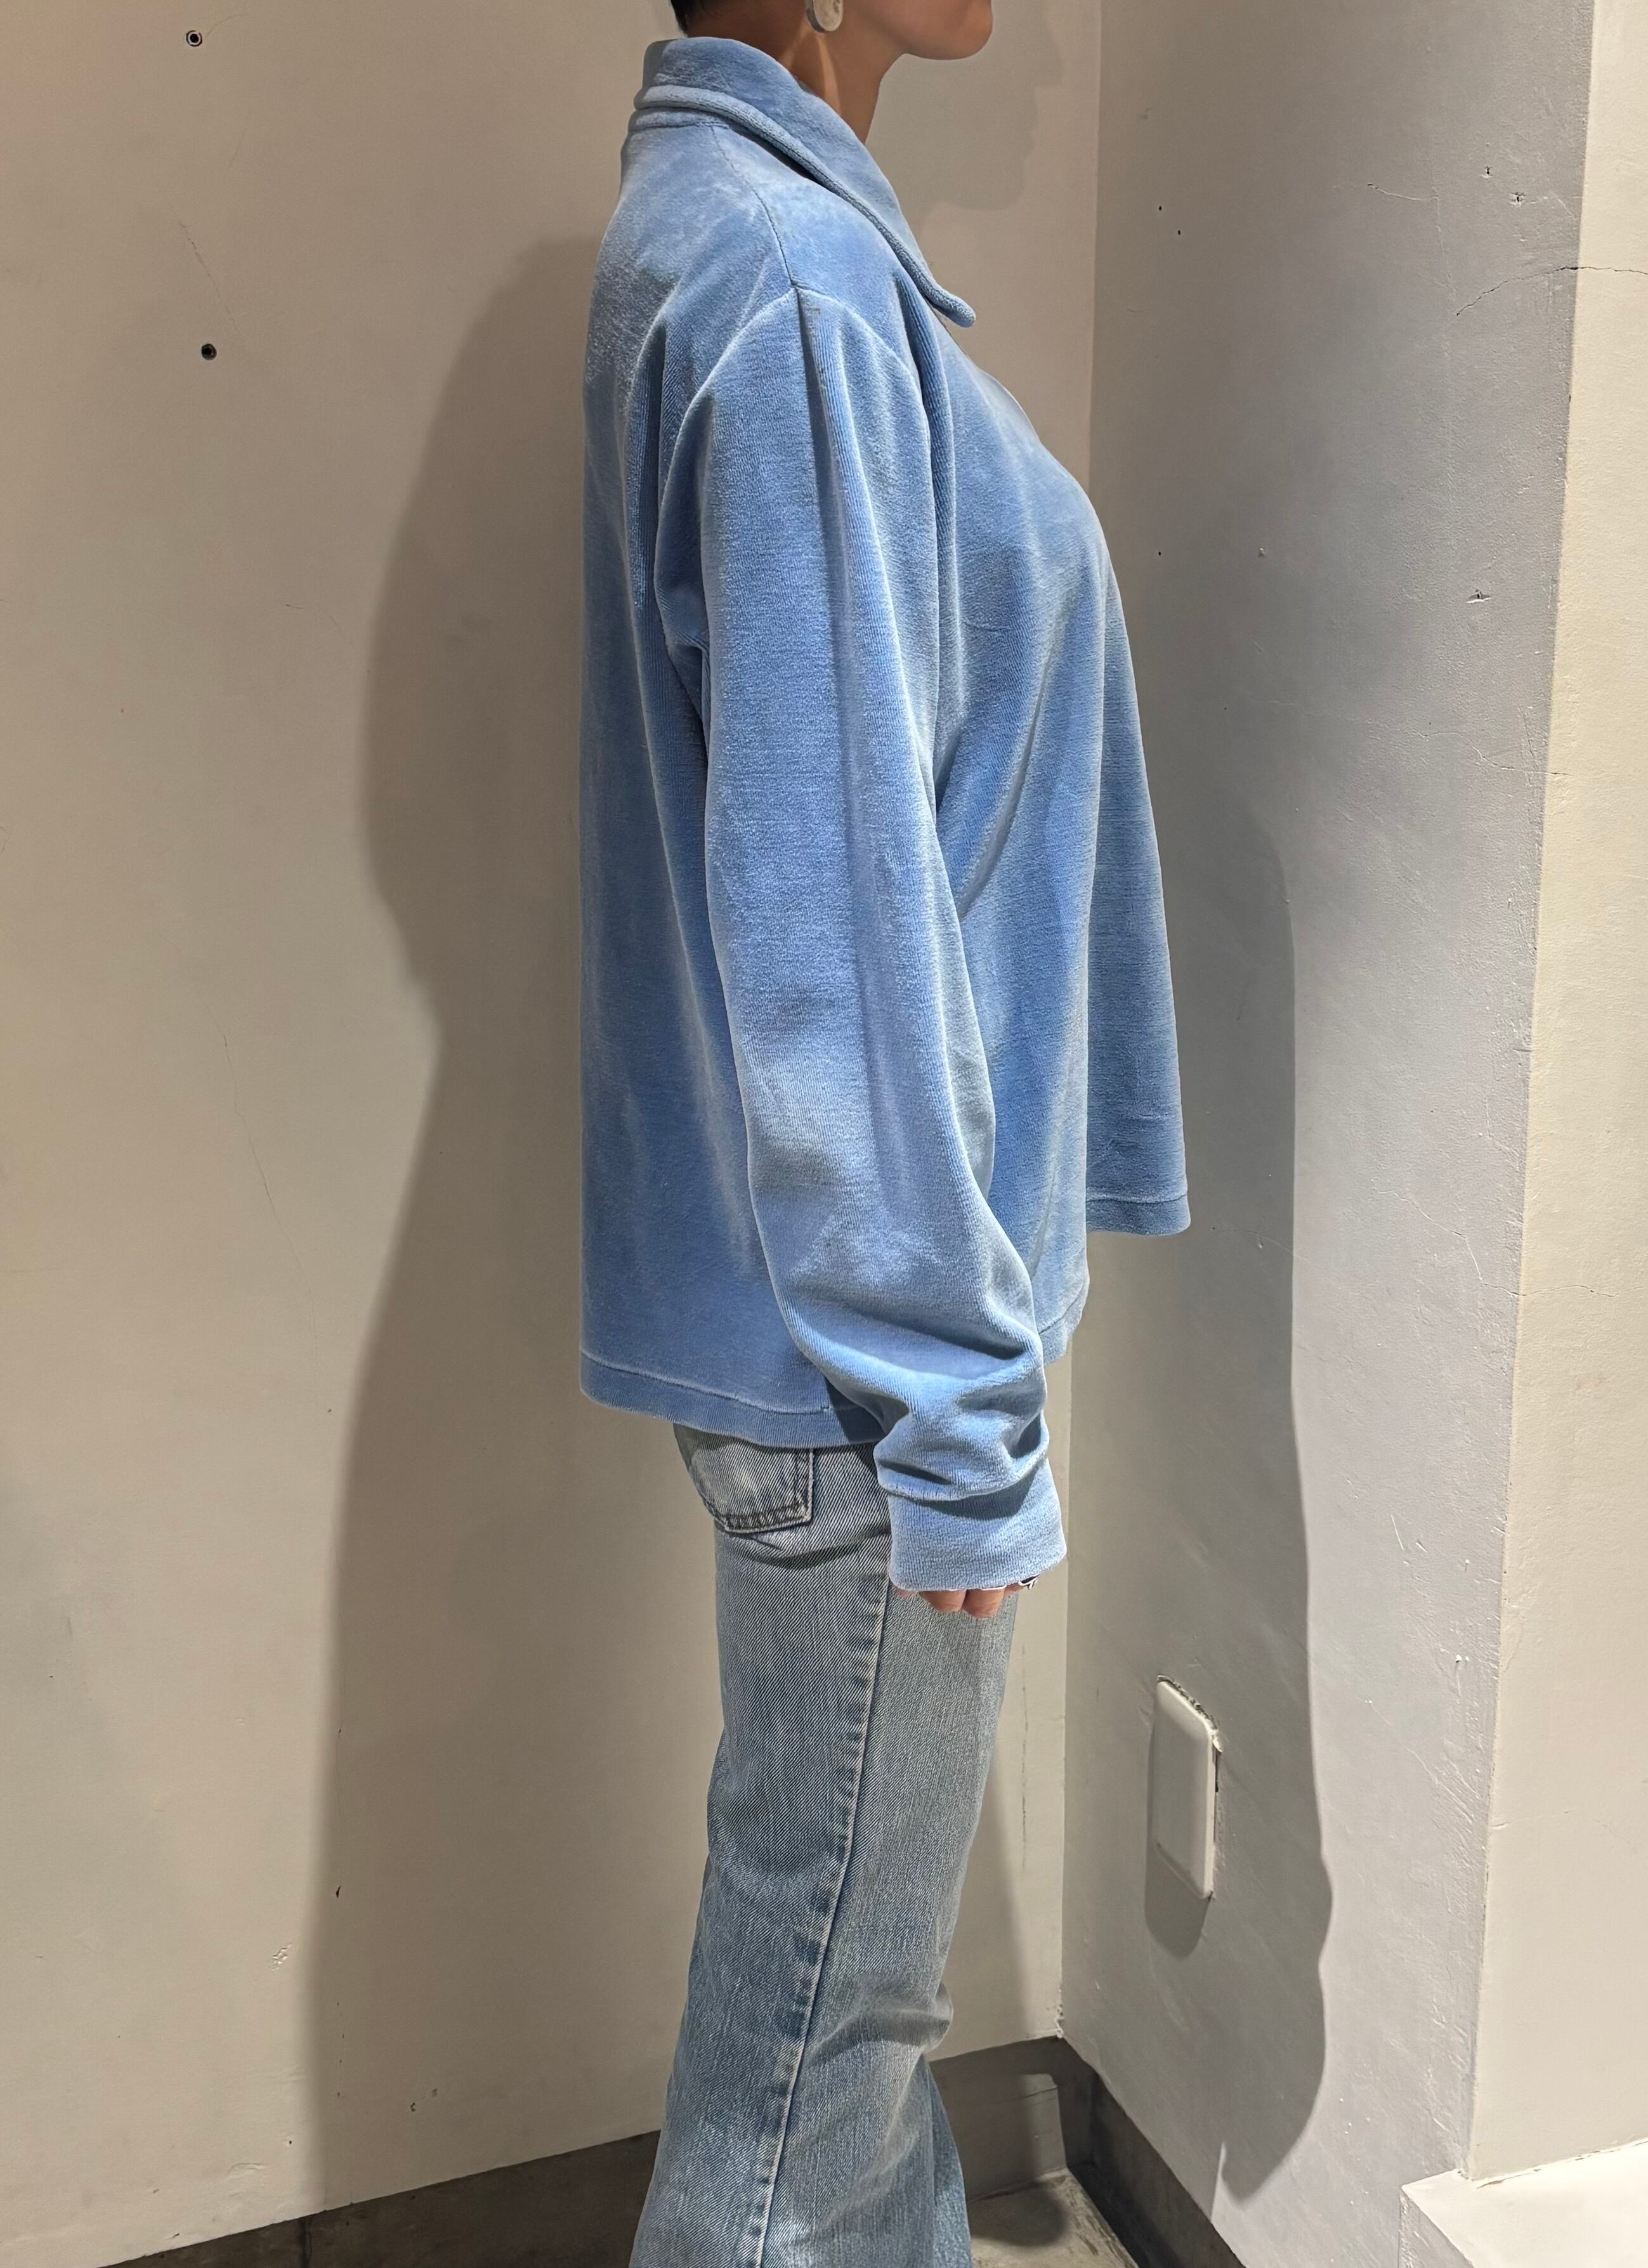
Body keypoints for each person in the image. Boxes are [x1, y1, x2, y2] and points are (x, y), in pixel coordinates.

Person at [577, 3, 1187, 2258]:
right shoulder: (791, 283)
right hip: (867, 1368)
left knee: (835, 2033)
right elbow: (829, 913)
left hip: (853, 1330)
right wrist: (950, 1409)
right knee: (812, 2077)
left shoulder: (758, 243)